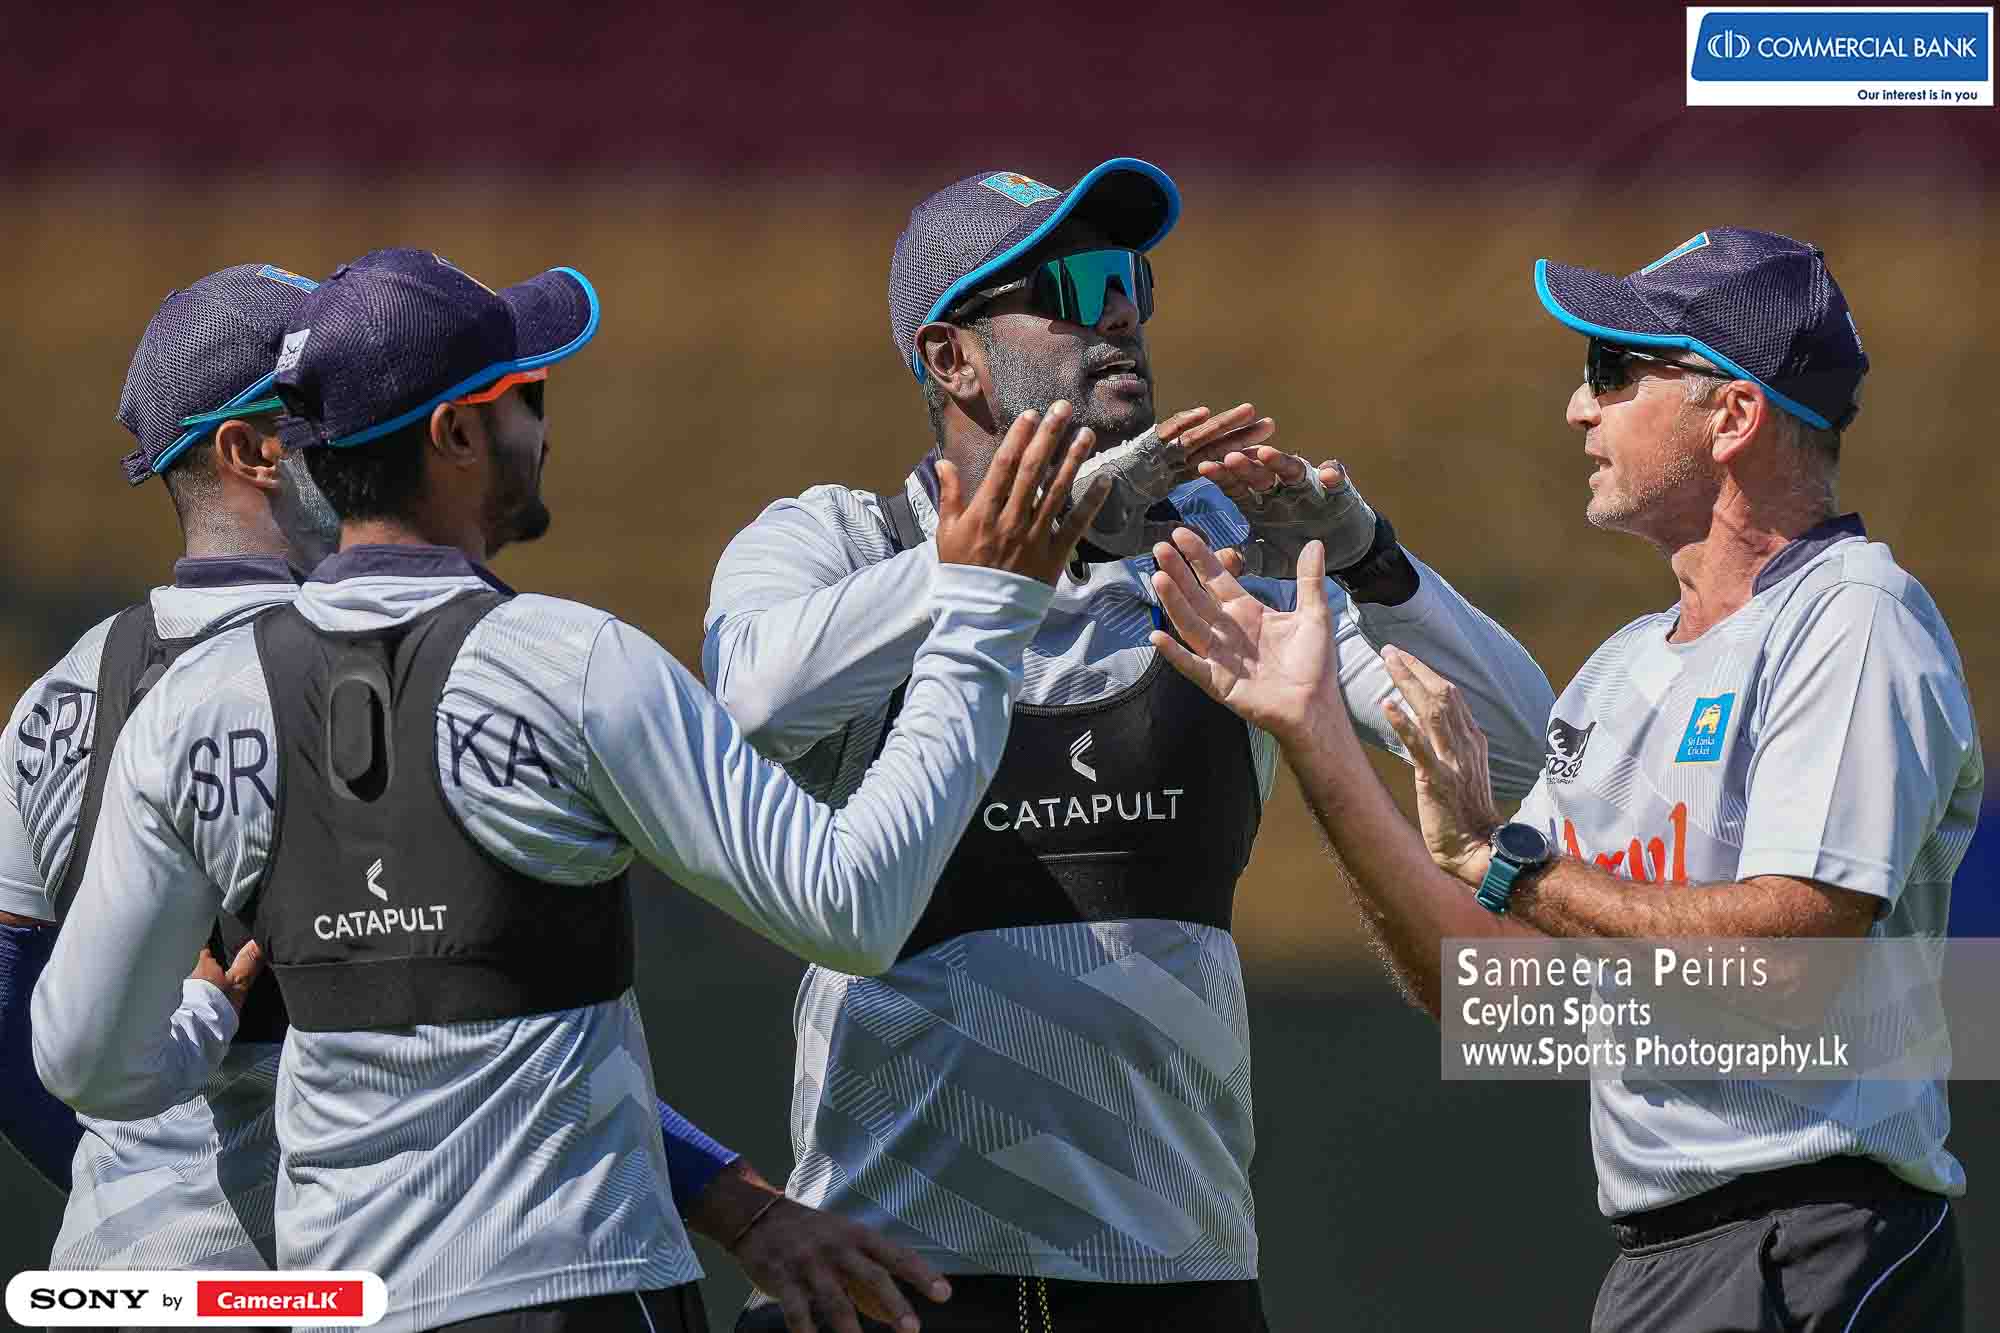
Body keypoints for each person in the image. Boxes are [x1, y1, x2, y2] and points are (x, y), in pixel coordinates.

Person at [32, 247, 1106, 1333]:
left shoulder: (189, 708)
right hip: (573, 1285)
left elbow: (82, 1057)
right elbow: (855, 907)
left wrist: (201, 1019)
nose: (546, 429)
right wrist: (978, 612)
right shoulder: (573, 661)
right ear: (454, 434)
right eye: (524, 398)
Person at [705, 158, 1555, 1331]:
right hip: (896, 1280)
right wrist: (1026, 534)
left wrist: (1368, 555)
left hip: (1172, 1281)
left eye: (1130, 281)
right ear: (949, 358)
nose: (1116, 314)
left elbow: (1517, 759)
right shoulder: (841, 544)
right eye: (1070, 283)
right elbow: (749, 703)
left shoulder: (1215, 564)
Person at [1145, 228, 1979, 1331]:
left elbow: (1787, 964)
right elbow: (1481, 999)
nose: (1576, 410)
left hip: (1809, 1237)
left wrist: (1507, 863)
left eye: (1611, 371)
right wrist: (1313, 734)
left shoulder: (1853, 619)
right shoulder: (1619, 669)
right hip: (1663, 1260)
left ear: (1731, 416)